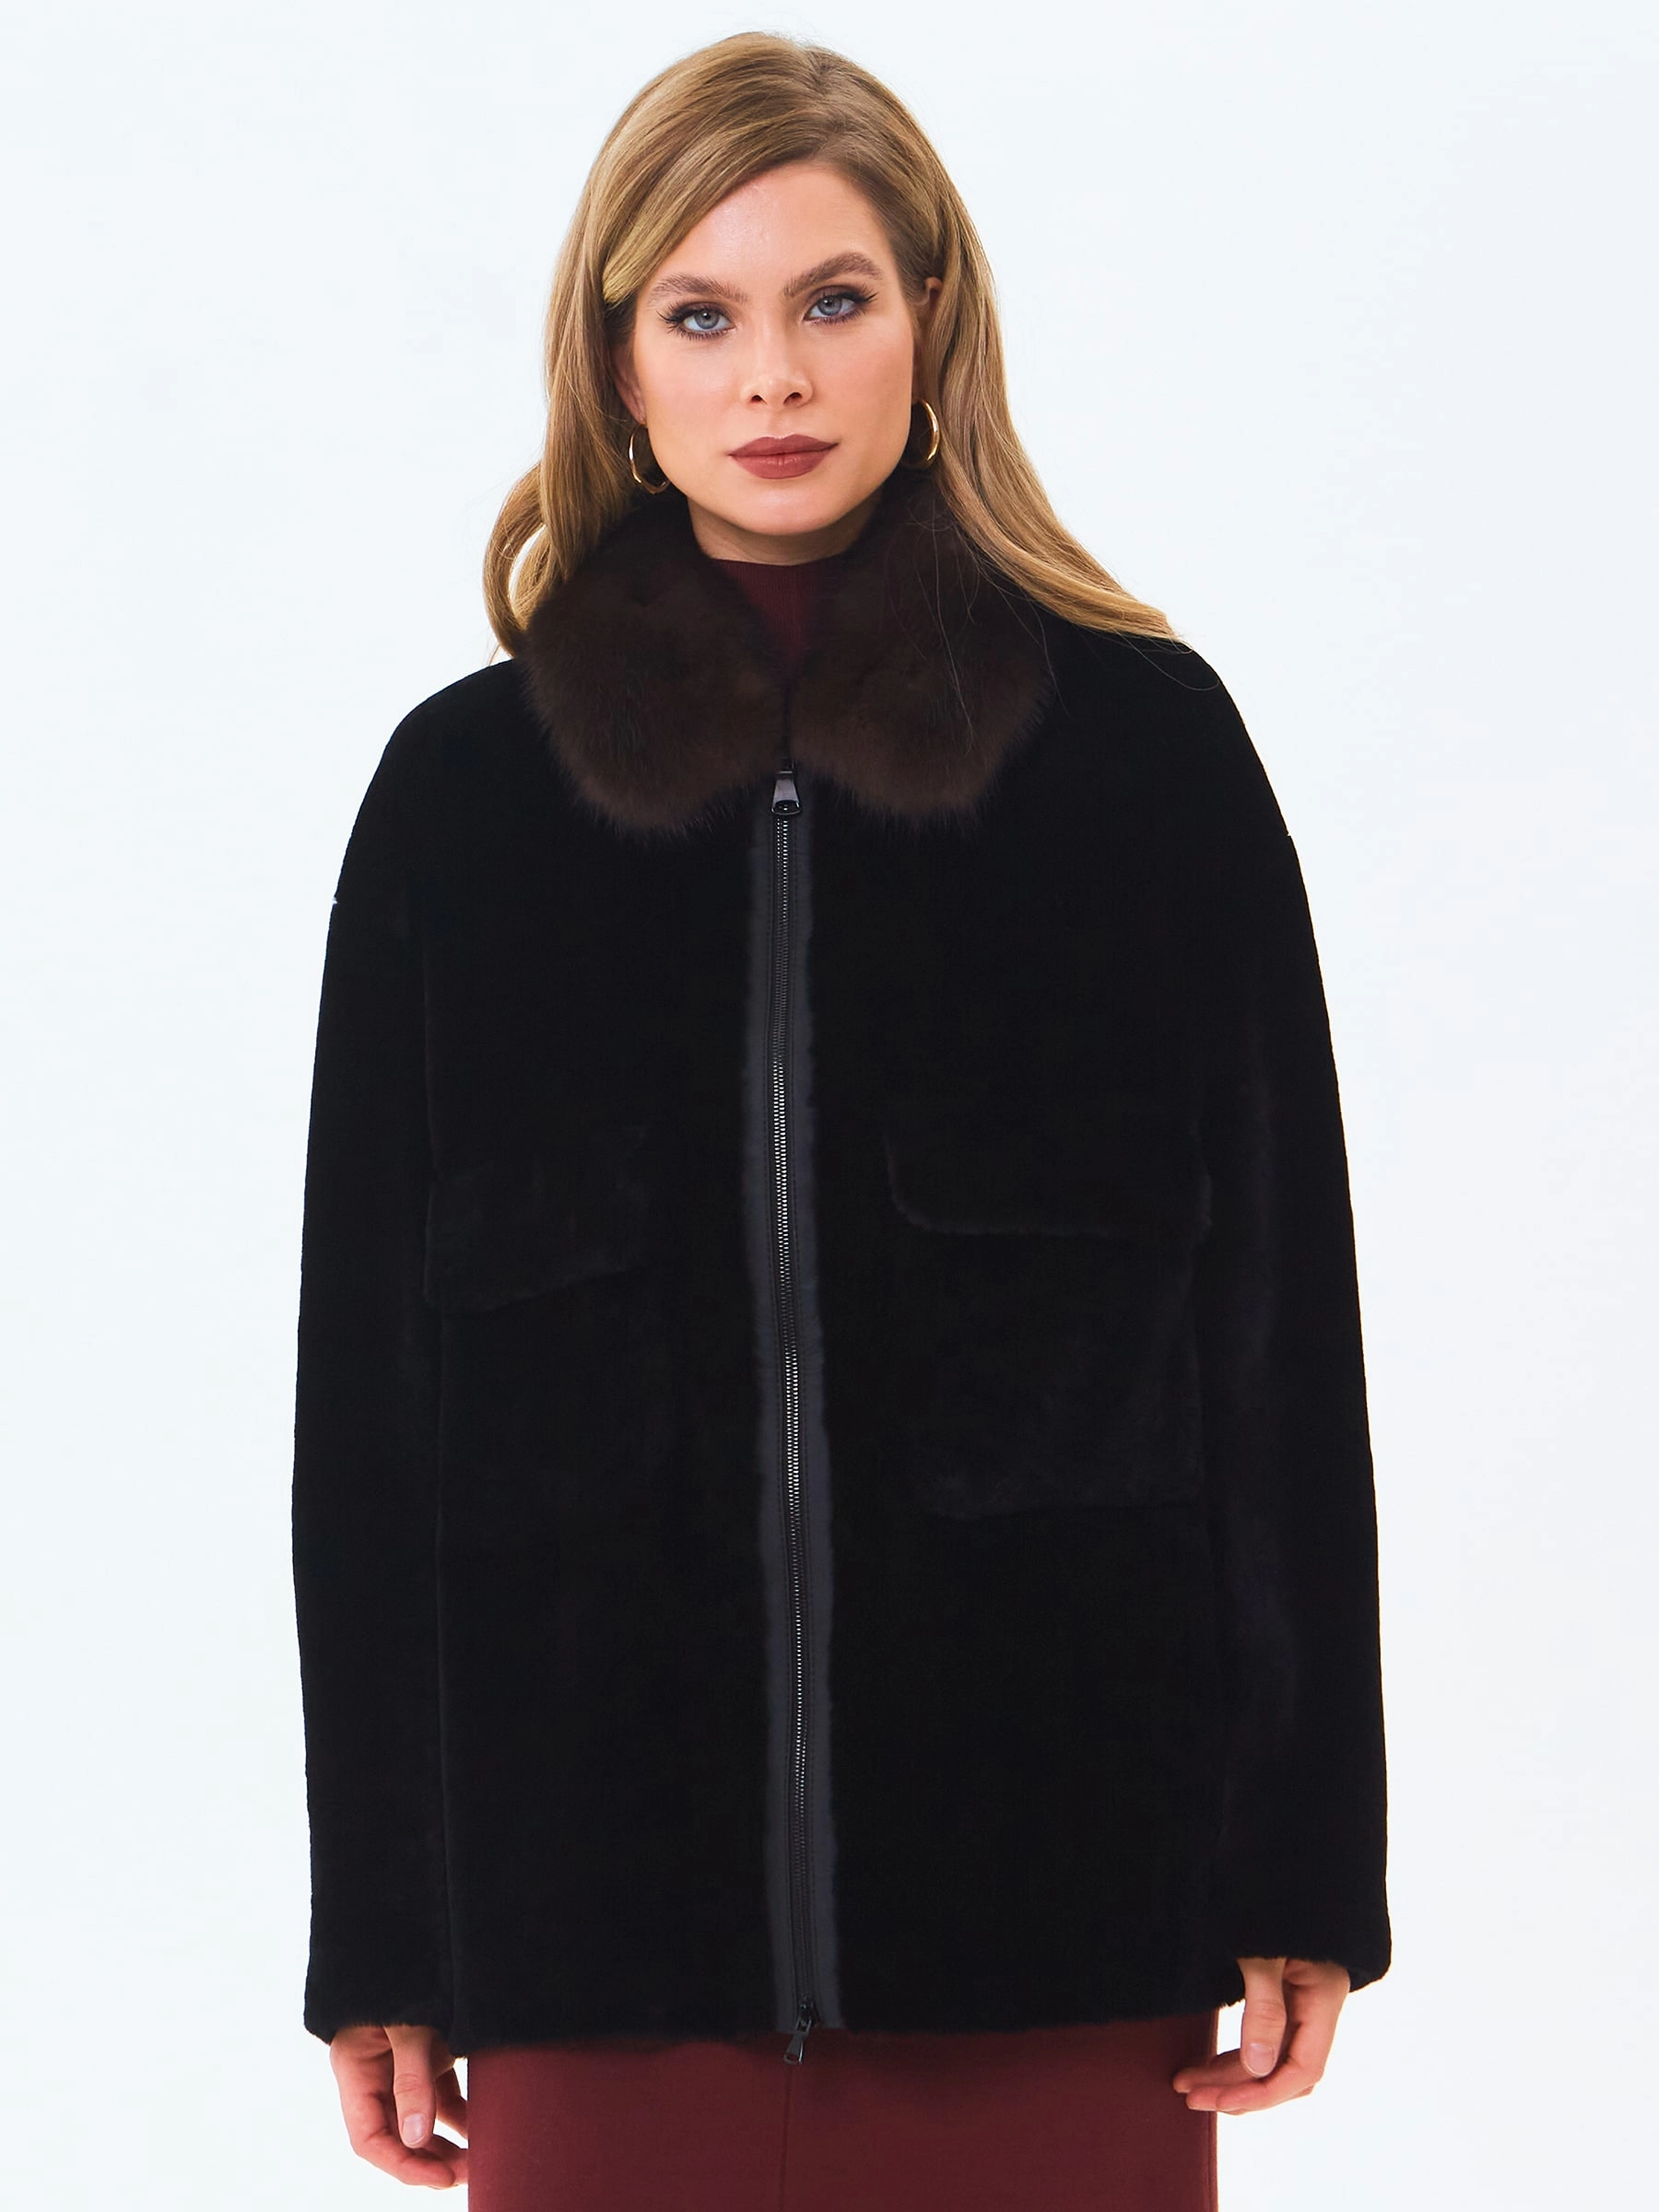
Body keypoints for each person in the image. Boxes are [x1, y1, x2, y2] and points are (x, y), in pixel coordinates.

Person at [290, 30, 1390, 2210]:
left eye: (833, 299)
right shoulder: (465, 805)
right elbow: (374, 1414)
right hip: (598, 1933)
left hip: (1059, 1914)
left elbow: (1282, 1334)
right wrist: (384, 1927)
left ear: (932, 324)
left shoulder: (1144, 761)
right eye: (701, 316)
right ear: (619, 366)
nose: (773, 375)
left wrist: (1303, 1856)